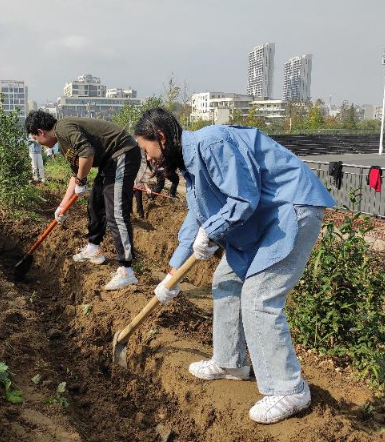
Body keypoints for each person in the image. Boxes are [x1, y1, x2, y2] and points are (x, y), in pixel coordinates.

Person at [134, 108, 335, 424]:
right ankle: (230, 362)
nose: (149, 159)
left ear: (161, 137)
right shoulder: (190, 165)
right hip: (263, 219)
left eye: (147, 151)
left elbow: (243, 198)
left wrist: (211, 231)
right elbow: (196, 218)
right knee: (225, 280)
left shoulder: (211, 142)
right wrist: (172, 274)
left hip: (291, 210)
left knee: (259, 297)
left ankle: (289, 389)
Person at [25, 110, 141, 290]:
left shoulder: (63, 128)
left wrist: (82, 180)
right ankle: (93, 249)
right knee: (95, 204)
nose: (38, 142)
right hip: (110, 160)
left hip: (123, 153)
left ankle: (127, 270)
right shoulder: (63, 141)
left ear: (41, 132)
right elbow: (75, 173)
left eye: (35, 138)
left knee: (116, 212)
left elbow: (87, 153)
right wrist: (62, 205)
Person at [133, 148, 153, 218]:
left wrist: (147, 188)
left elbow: (143, 179)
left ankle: (141, 216)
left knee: (139, 203)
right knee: (127, 202)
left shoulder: (142, 166)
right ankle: (130, 216)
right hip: (128, 186)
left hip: (137, 186)